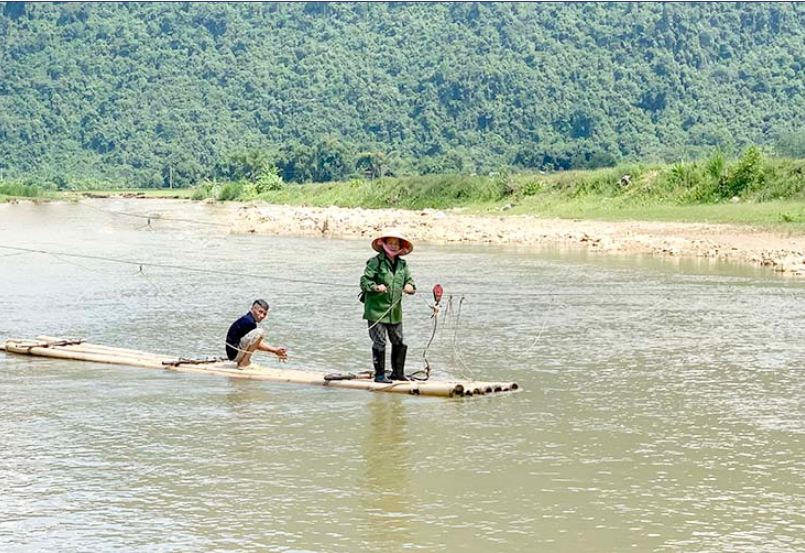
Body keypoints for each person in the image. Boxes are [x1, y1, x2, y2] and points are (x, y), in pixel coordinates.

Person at [360, 229, 416, 383]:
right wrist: (376, 287)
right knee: (380, 342)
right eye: (390, 243)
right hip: (376, 311)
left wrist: (410, 287)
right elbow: (364, 282)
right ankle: (379, 376)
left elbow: (410, 281)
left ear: (400, 246)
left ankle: (397, 373)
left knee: (399, 341)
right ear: (383, 244)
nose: (393, 246)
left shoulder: (402, 265)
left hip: (395, 312)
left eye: (396, 243)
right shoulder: (375, 262)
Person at [225, 299, 288, 368]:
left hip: (233, 353)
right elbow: (257, 344)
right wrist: (275, 350)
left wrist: (275, 351)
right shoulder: (249, 322)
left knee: (258, 333)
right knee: (260, 332)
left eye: (264, 314)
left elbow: (254, 343)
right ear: (252, 309)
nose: (262, 316)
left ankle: (244, 361)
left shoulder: (248, 319)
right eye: (260, 312)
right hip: (235, 353)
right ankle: (244, 363)